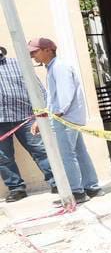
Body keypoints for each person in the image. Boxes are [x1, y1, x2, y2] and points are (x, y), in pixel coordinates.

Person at [28, 38, 101, 203]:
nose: (33, 56)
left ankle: (76, 192)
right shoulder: (54, 67)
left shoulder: (59, 67)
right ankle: (92, 187)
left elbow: (64, 97)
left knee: (67, 156)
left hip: (65, 119)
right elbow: (53, 99)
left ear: (48, 50)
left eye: (35, 52)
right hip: (68, 118)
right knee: (79, 153)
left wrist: (55, 115)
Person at [0, 45, 55, 202]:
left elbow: (38, 88)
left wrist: (42, 113)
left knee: (40, 150)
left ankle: (56, 181)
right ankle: (16, 188)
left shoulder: (17, 64)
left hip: (26, 117)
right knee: (3, 158)